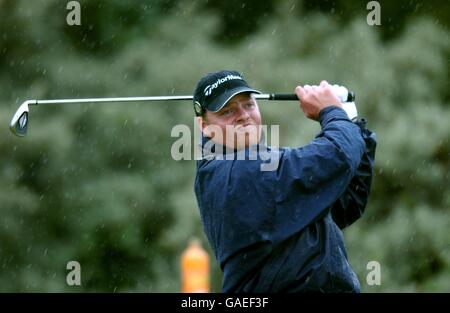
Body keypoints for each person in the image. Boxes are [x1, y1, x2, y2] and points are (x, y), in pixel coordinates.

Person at [193, 70, 377, 292]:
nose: (243, 115)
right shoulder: (237, 172)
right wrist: (332, 113)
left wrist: (353, 123)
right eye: (227, 111)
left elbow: (345, 205)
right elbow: (337, 155)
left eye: (248, 104)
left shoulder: (259, 165)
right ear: (203, 126)